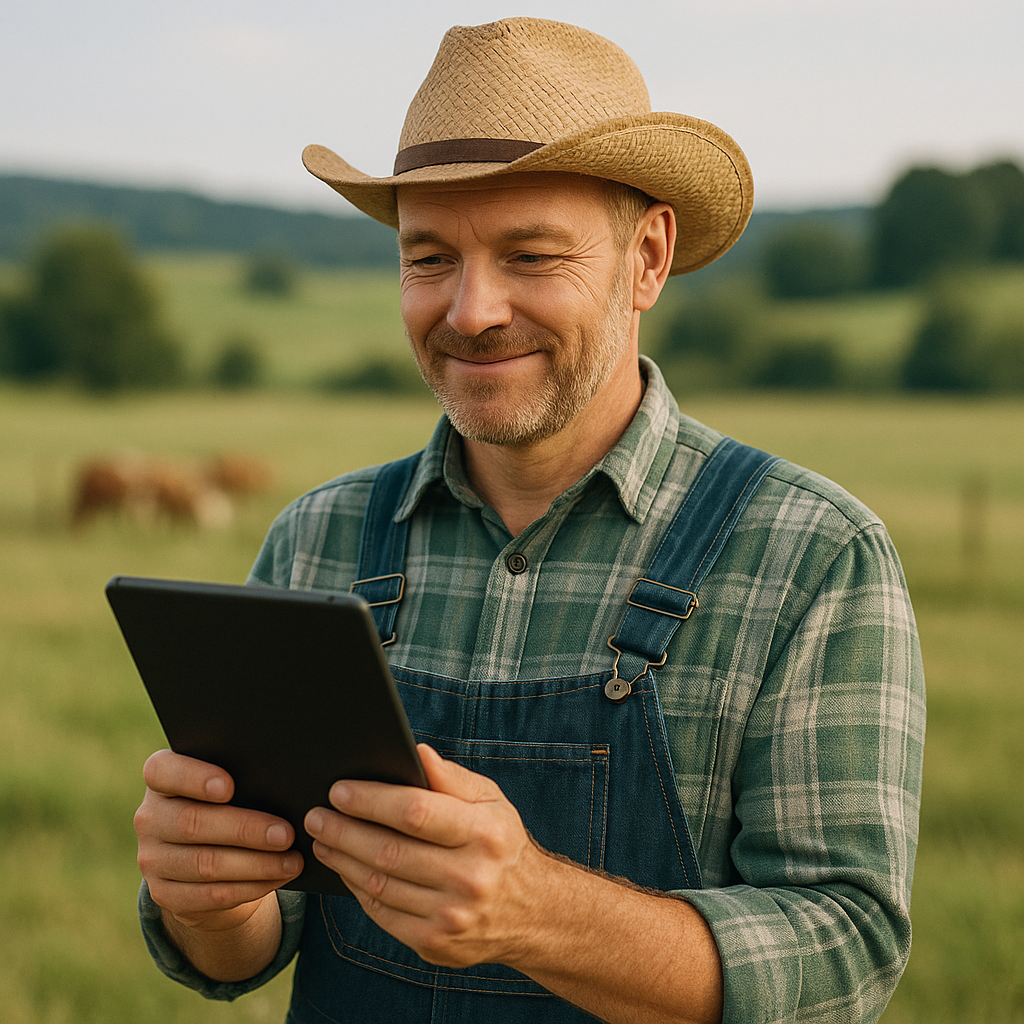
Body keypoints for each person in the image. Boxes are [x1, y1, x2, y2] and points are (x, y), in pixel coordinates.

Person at [133, 18, 925, 1024]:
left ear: (646, 259)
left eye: (529, 254)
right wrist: (207, 894)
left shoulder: (812, 554)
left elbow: (846, 951)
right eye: (429, 258)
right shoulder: (314, 539)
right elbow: (251, 941)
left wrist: (534, 911)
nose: (469, 309)